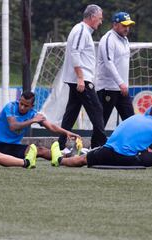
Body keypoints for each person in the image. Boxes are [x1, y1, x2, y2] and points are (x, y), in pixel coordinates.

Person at [50, 103, 152, 169]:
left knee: (83, 159)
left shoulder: (135, 117)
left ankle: (59, 160)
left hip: (108, 151)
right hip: (127, 159)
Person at [58, 4, 107, 150]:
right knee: (97, 110)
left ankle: (59, 145)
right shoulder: (80, 30)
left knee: (71, 113)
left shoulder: (83, 31)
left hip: (79, 79)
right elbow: (75, 53)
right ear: (92, 17)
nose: (101, 21)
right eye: (99, 18)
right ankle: (100, 146)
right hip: (81, 80)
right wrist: (80, 78)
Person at [0, 91, 81, 160]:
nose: (22, 107)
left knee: (40, 150)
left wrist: (67, 132)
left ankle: (67, 157)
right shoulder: (10, 107)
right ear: (19, 100)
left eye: (26, 105)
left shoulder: (34, 114)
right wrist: (32, 121)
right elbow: (13, 126)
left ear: (32, 106)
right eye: (21, 103)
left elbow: (51, 127)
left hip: (14, 147)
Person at [95, 11, 135, 127]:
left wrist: (123, 84)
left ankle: (131, 145)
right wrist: (121, 83)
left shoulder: (125, 39)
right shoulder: (108, 39)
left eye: (128, 26)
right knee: (101, 122)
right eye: (124, 25)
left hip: (122, 89)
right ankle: (96, 145)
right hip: (107, 88)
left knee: (131, 121)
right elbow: (109, 63)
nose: (127, 28)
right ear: (115, 24)